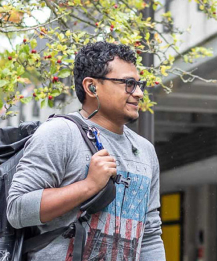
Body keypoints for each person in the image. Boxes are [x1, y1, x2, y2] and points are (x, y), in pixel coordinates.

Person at [7, 42, 165, 260]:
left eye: (139, 84)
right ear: (92, 87)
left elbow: (149, 233)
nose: (138, 93)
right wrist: (89, 185)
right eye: (128, 84)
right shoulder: (59, 133)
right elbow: (17, 210)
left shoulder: (145, 150)